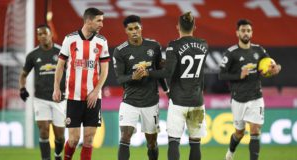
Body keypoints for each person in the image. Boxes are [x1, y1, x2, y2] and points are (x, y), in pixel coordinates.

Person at [143, 11, 208, 160]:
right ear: (195, 26)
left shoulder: (174, 45)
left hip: (178, 100)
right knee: (195, 143)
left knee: (174, 142)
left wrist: (148, 73)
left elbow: (167, 72)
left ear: (178, 26)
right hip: (197, 101)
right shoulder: (204, 44)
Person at [219, 19, 281, 160]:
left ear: (251, 33)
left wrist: (276, 68)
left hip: (256, 97)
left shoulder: (259, 50)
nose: (245, 33)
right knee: (239, 133)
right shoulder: (231, 53)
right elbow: (221, 75)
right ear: (237, 33)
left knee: (255, 130)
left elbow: (271, 66)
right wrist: (239, 75)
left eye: (248, 30)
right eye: (243, 30)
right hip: (238, 99)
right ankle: (230, 154)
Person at [52, 7, 110, 160]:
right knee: (73, 139)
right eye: (99, 21)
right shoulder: (70, 39)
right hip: (73, 97)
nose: (101, 24)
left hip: (93, 98)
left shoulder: (101, 41)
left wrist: (96, 91)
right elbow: (60, 66)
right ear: (88, 20)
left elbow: (105, 71)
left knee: (89, 140)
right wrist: (56, 88)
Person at [113, 15, 168, 160]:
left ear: (141, 27)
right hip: (129, 102)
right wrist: (133, 77)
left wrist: (167, 91)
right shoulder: (120, 51)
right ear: (126, 31)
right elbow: (119, 78)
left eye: (136, 27)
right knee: (124, 138)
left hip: (151, 102)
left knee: (151, 143)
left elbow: (159, 72)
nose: (134, 31)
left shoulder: (154, 46)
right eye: (130, 29)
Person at [19, 24, 65, 160]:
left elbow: (72, 72)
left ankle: (57, 154)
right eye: (40, 34)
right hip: (40, 98)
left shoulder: (62, 52)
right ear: (37, 37)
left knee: (60, 136)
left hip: (59, 98)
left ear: (51, 34)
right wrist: (22, 88)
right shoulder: (33, 55)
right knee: (44, 130)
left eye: (45, 33)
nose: (43, 36)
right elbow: (23, 75)